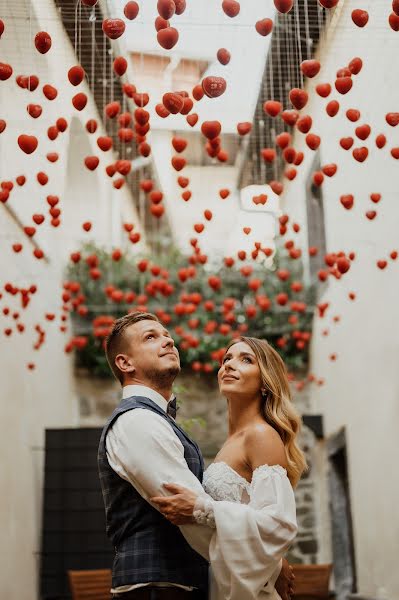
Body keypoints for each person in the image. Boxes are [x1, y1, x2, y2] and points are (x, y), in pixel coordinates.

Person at [98, 311, 296, 600]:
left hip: (184, 585)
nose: (168, 341)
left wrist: (271, 559)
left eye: (167, 335)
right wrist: (273, 565)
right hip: (157, 587)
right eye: (151, 337)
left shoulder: (259, 435)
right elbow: (186, 512)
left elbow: (200, 509)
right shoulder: (137, 420)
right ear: (125, 363)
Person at [151, 336, 307, 600]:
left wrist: (202, 509)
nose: (230, 365)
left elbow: (278, 525)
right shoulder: (231, 442)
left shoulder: (260, 435)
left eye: (246, 360)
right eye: (227, 359)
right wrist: (278, 564)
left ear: (266, 383)